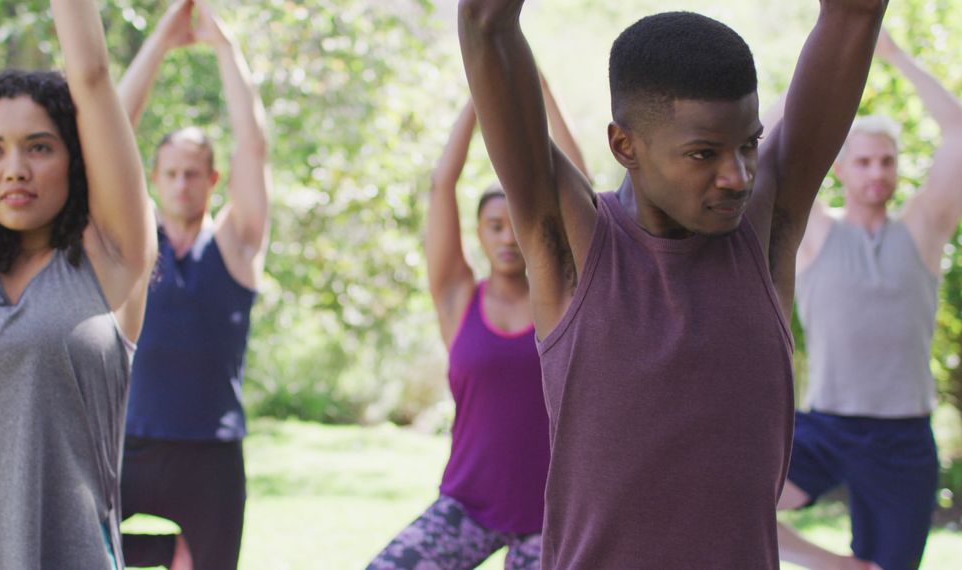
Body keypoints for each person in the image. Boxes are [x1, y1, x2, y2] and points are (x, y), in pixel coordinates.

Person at [458, 0, 886, 568]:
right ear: (624, 146)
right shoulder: (573, 245)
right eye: (704, 153)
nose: (737, 176)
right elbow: (487, 24)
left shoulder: (767, 229)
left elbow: (856, 12)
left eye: (749, 144)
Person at [0, 0, 155, 567]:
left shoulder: (110, 261)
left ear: (75, 159)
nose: (13, 167)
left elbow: (90, 77)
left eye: (39, 146)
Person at [367, 84, 588, 570]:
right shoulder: (457, 297)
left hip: (551, 516)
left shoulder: (565, 295)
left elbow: (581, 185)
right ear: (478, 233)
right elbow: (441, 184)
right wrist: (482, 87)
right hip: (468, 506)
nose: (508, 237)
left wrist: (541, 88)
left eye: (517, 222)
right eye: (494, 225)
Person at [771, 29, 962, 570]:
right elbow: (771, 140)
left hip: (904, 437)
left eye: (887, 161)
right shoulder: (813, 233)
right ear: (838, 168)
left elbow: (958, 132)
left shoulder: (924, 230)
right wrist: (825, 43)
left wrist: (896, 54)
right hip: (826, 427)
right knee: (735, 502)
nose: (877, 172)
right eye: (863, 162)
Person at [115, 0, 271, 568]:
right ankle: (165, 553)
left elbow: (254, 146)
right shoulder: (130, 244)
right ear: (154, 179)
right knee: (73, 547)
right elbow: (106, 134)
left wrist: (226, 49)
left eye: (193, 174)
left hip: (213, 455)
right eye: (171, 174)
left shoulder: (236, 243)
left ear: (213, 179)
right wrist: (158, 43)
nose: (182, 185)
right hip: (128, 444)